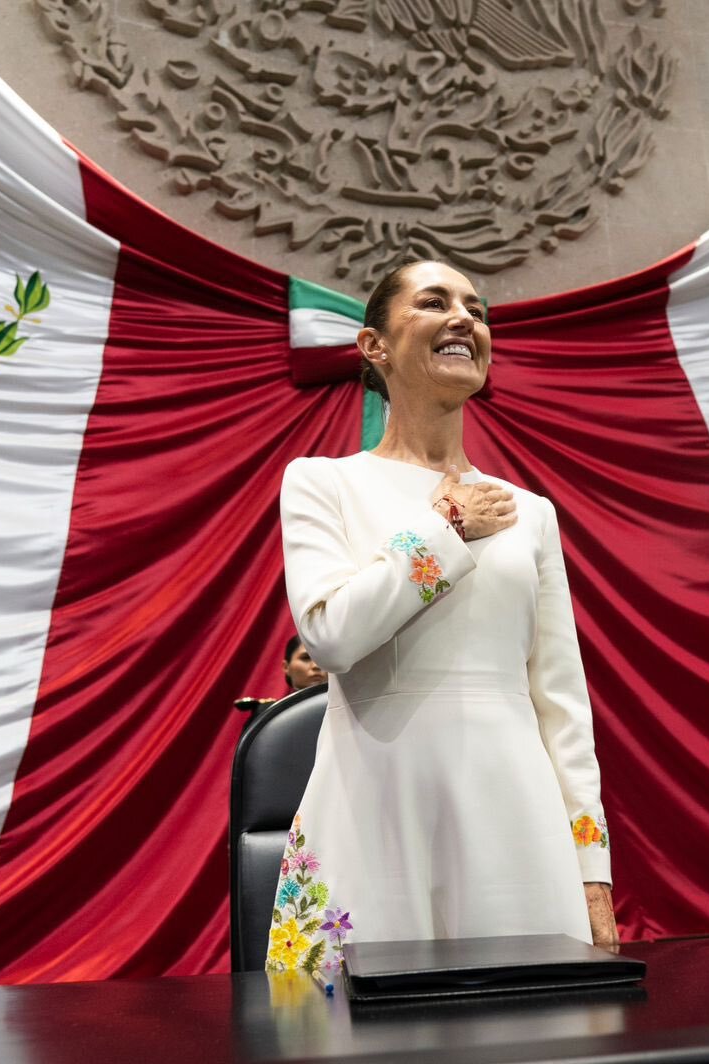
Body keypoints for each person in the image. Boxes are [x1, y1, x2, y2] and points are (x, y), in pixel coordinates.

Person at [266, 259, 615, 975]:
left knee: (533, 1034)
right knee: (354, 1036)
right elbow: (331, 636)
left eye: (477, 309)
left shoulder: (532, 514)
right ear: (375, 347)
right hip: (373, 805)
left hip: (515, 813)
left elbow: (562, 704)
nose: (465, 318)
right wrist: (444, 530)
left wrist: (592, 865)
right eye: (434, 303)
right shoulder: (322, 483)